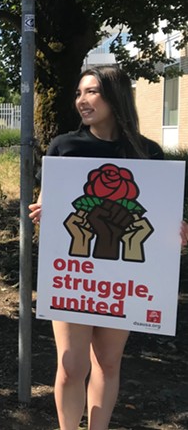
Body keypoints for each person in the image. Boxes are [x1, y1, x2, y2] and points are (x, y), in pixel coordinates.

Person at [28, 65, 188, 430]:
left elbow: (159, 216)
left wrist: (174, 231)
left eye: (92, 92)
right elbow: (49, 203)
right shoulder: (64, 147)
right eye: (79, 93)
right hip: (75, 272)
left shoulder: (147, 153)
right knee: (71, 365)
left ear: (115, 96)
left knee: (108, 363)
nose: (82, 101)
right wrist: (43, 211)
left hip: (125, 275)